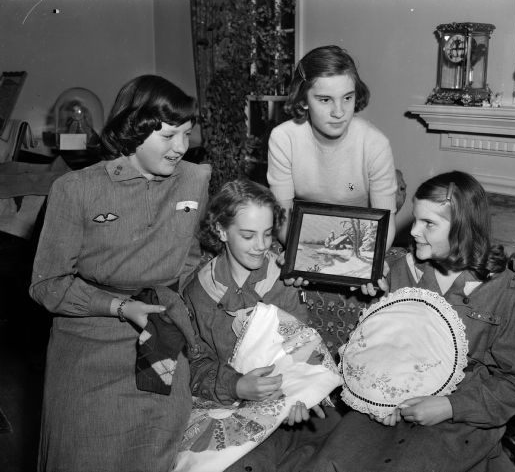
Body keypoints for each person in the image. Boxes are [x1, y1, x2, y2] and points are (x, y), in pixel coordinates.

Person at [30, 75, 211, 472]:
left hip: (161, 337)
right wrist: (118, 306)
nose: (181, 147)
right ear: (133, 131)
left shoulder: (196, 181)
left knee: (154, 454)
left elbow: (191, 260)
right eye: (167, 136)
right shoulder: (75, 189)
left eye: (186, 133)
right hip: (87, 343)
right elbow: (47, 285)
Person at [303, 171, 515, 471]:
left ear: (463, 229)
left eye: (429, 223)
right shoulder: (398, 270)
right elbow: (374, 348)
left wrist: (450, 407)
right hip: (387, 412)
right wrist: (377, 400)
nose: (414, 231)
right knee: (327, 464)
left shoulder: (506, 290)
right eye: (415, 219)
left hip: (459, 424)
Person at [182, 179, 341, 472]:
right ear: (221, 231)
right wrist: (237, 385)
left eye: (268, 234)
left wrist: (303, 395)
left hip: (285, 407)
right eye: (248, 235)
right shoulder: (198, 291)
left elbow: (303, 349)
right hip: (222, 405)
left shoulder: (285, 280)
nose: (261, 246)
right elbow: (193, 364)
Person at [267, 45, 402, 251]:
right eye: (325, 100)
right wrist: (302, 255)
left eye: (347, 97)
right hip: (302, 233)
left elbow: (384, 227)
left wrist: (363, 263)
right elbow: (283, 218)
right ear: (303, 100)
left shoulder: (376, 144)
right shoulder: (283, 139)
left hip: (361, 235)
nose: (339, 112)